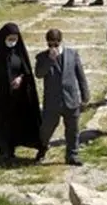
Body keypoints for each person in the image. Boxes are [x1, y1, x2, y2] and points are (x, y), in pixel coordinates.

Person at [0, 23, 45, 164]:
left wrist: (20, 78)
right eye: (10, 39)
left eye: (15, 39)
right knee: (3, 125)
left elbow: (26, 71)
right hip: (0, 99)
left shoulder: (18, 53)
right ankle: (5, 150)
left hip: (18, 99)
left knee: (19, 123)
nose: (12, 42)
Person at [35, 28, 89, 166]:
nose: (53, 46)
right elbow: (39, 74)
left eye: (55, 43)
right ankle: (42, 148)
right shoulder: (42, 57)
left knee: (73, 129)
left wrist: (85, 95)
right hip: (52, 101)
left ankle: (72, 155)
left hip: (70, 98)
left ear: (60, 41)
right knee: (46, 128)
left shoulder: (72, 54)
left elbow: (80, 76)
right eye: (50, 44)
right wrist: (49, 60)